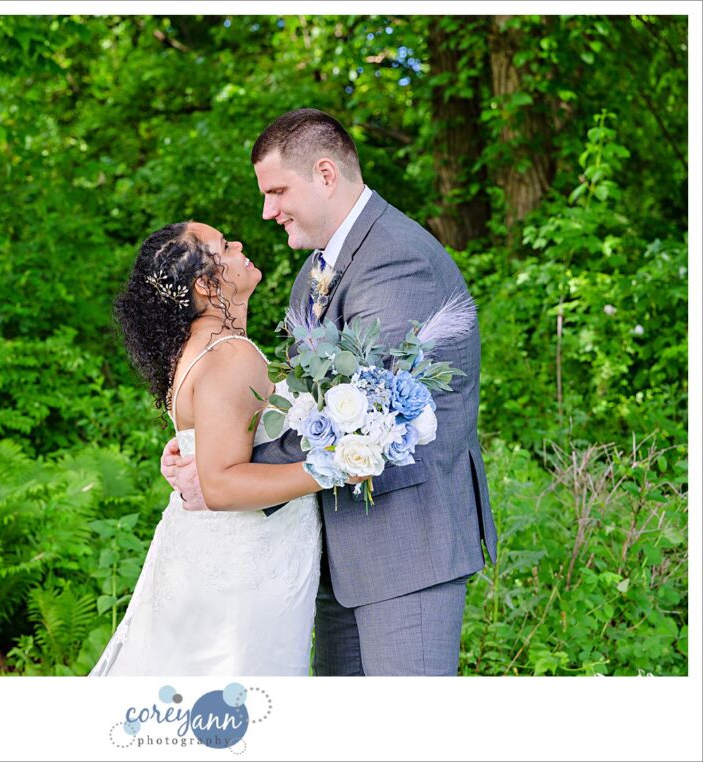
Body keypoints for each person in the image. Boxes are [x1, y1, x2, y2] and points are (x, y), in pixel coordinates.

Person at [162, 108, 497, 676]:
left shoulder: (396, 260)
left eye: (276, 191)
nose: (267, 211)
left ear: (324, 174)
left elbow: (366, 414)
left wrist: (226, 472)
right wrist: (212, 453)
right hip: (335, 547)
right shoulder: (314, 270)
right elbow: (298, 405)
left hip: (403, 545)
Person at [90, 220, 362, 676]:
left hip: (224, 554)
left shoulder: (199, 349)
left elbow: (216, 450)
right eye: (224, 245)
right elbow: (219, 484)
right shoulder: (229, 353)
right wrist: (335, 467)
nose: (238, 245)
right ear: (205, 282)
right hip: (243, 568)